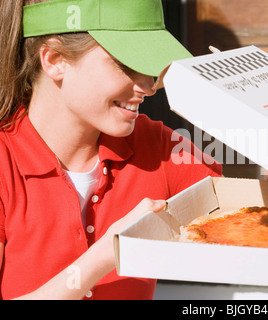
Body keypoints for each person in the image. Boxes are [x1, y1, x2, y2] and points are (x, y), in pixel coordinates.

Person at [0, 0, 222, 300]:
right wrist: (104, 256)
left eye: (150, 62)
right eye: (126, 63)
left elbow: (249, 211)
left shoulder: (157, 146)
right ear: (54, 60)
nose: (148, 85)